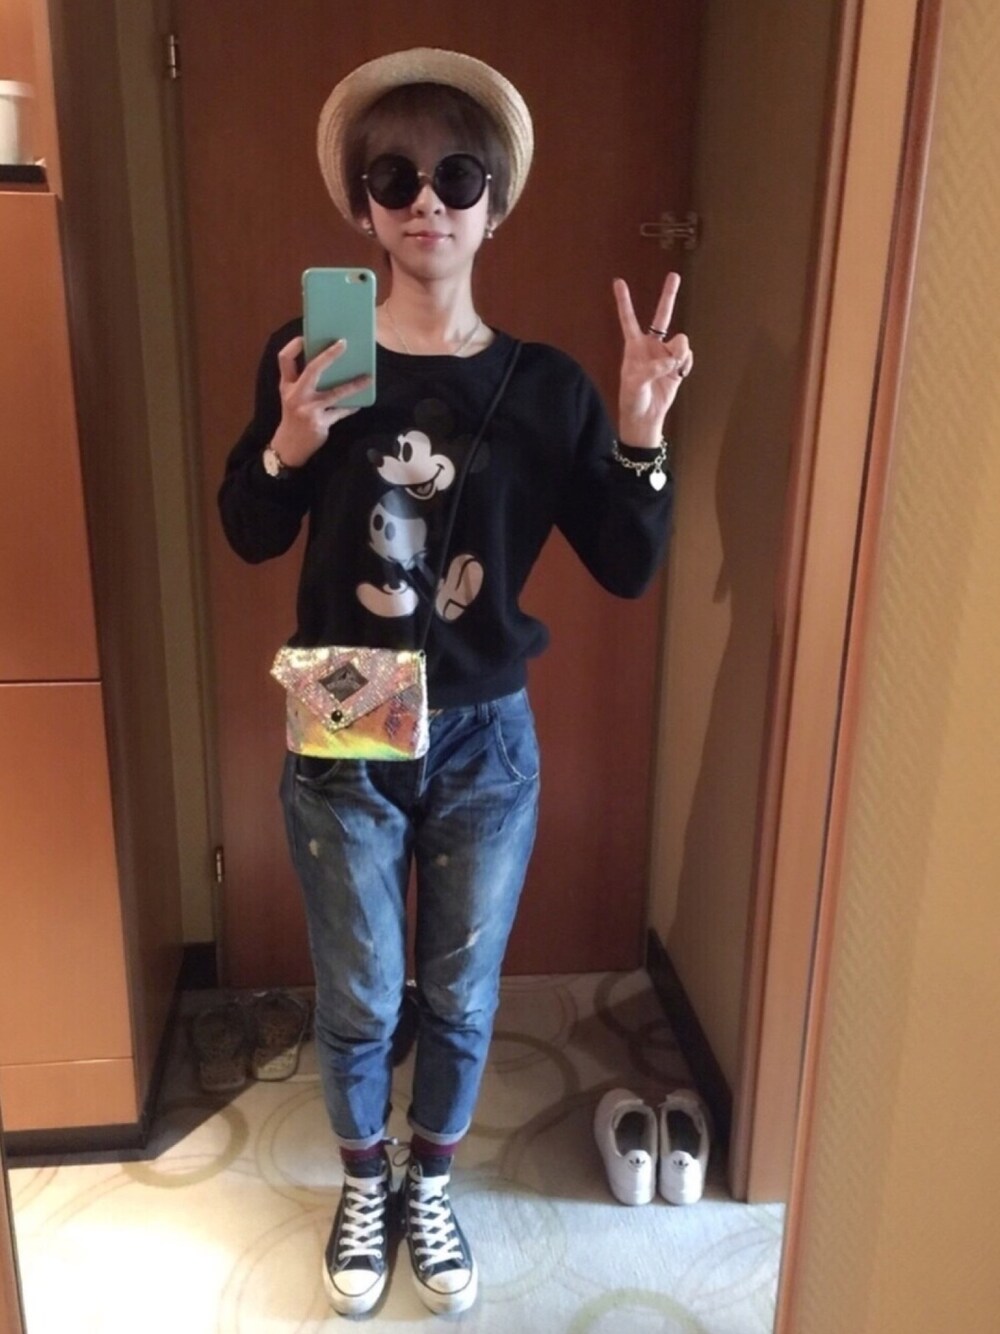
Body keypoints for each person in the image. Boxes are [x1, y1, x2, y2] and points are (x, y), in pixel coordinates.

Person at [219, 46, 692, 1320]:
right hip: (348, 691)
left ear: (494, 204)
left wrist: (640, 433)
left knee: (462, 988)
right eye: (394, 176)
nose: (426, 199)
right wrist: (289, 444)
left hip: (483, 716)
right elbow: (248, 529)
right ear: (361, 206)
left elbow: (626, 563)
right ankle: (363, 1181)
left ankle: (428, 1179)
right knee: (361, 987)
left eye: (456, 175)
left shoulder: (546, 386)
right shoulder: (310, 355)